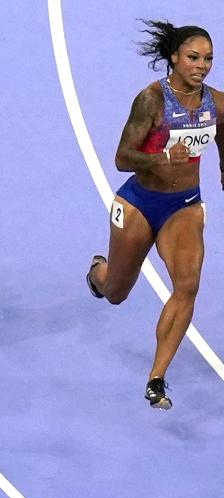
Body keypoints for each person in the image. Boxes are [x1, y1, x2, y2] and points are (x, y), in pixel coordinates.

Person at [85, 20, 215, 409]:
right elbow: (122, 158)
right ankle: (98, 272)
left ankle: (157, 378)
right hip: (139, 203)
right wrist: (159, 159)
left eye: (208, 59)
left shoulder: (216, 103)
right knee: (116, 293)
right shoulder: (151, 100)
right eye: (193, 57)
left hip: (185, 207)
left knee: (188, 285)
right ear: (174, 58)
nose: (202, 66)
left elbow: (222, 134)